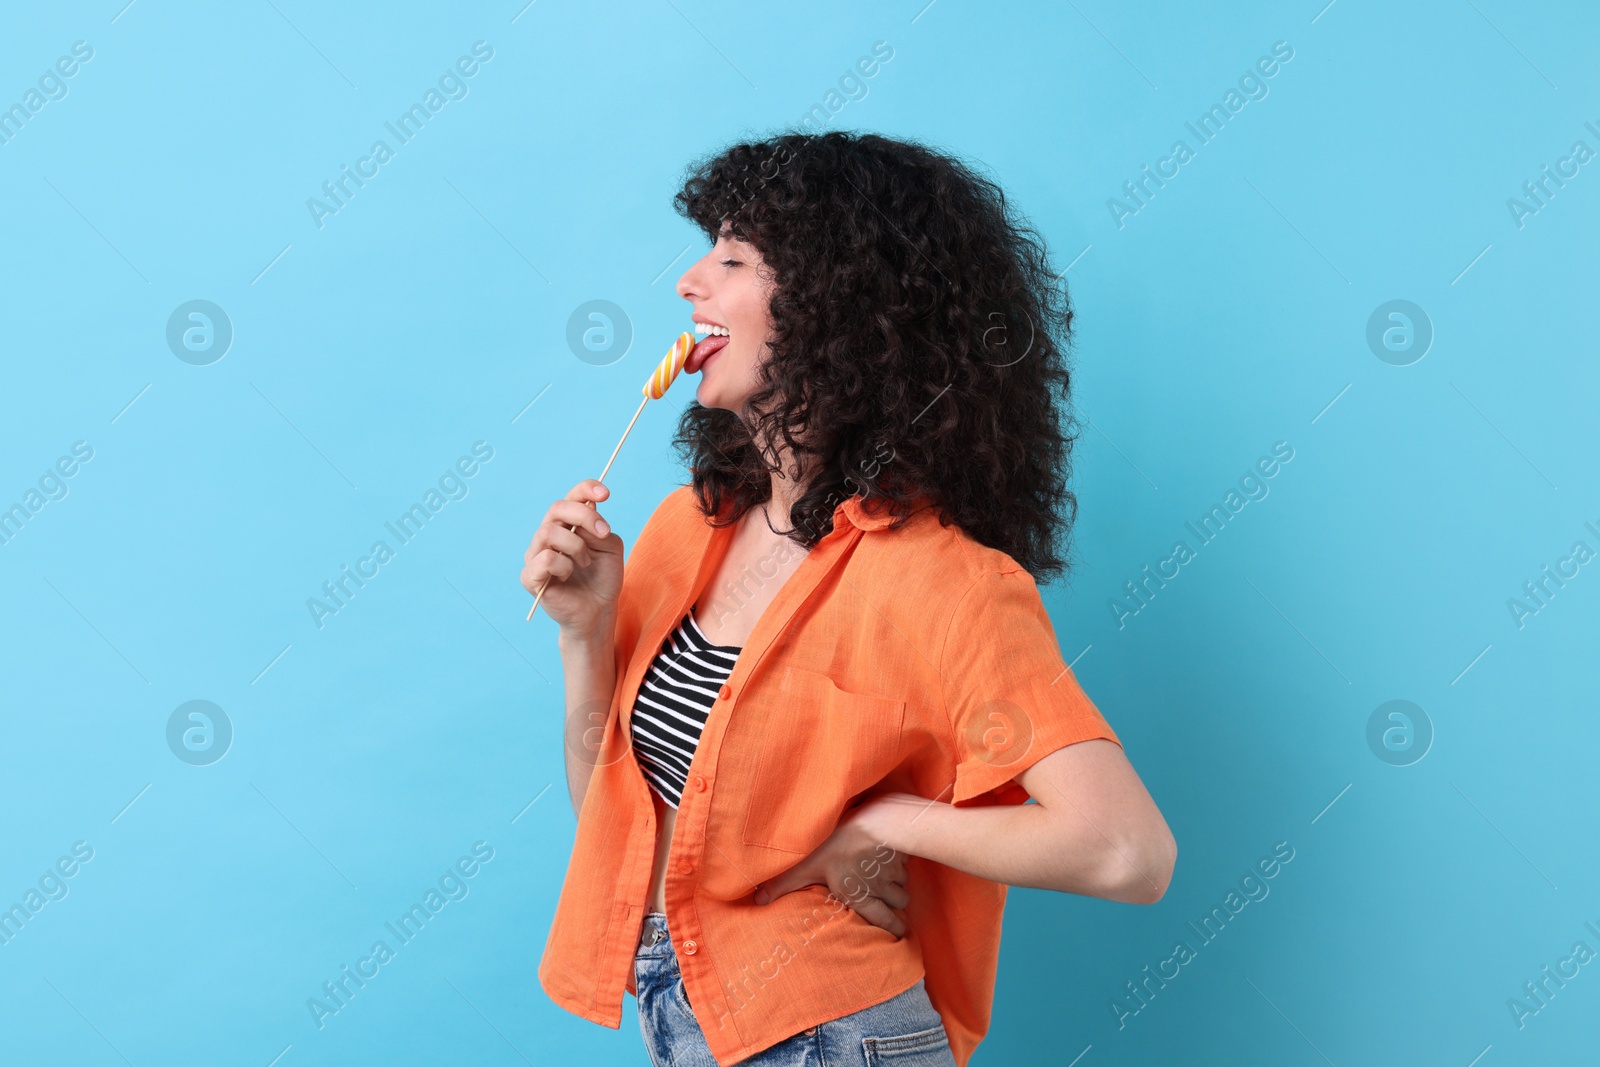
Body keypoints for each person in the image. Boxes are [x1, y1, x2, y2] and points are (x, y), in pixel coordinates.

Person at [522, 130, 1176, 1067]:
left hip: (830, 1036)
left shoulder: (944, 581)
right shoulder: (681, 530)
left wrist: (883, 826)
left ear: (839, 307)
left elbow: (1127, 850)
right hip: (690, 1024)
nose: (688, 281)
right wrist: (585, 638)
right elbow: (615, 831)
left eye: (734, 257)